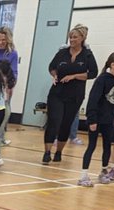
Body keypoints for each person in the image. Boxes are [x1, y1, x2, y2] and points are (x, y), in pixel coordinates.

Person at [44, 25, 98, 163]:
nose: (72, 39)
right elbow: (52, 67)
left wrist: (74, 76)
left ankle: (59, 152)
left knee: (65, 124)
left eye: (75, 37)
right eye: (71, 37)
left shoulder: (87, 55)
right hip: (57, 92)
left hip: (75, 95)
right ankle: (47, 151)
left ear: (82, 38)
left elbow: (93, 73)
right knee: (53, 121)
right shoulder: (62, 53)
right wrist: (54, 75)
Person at [79, 51, 114, 186]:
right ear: (113, 64)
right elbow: (93, 100)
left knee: (107, 146)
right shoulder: (102, 79)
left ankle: (103, 172)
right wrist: (92, 119)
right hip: (97, 118)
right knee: (92, 146)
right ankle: (83, 175)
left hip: (109, 119)